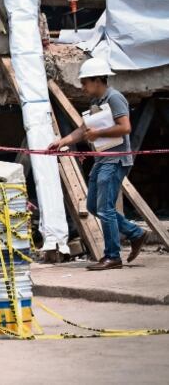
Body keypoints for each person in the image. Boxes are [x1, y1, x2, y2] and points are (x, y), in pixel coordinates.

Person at [48, 58, 146, 271]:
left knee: (105, 208)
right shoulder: (96, 103)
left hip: (116, 160)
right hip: (103, 159)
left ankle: (113, 256)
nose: (83, 87)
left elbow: (125, 127)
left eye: (85, 82)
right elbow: (83, 130)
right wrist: (61, 142)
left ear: (97, 80)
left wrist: (98, 133)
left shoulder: (115, 98)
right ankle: (136, 233)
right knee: (94, 206)